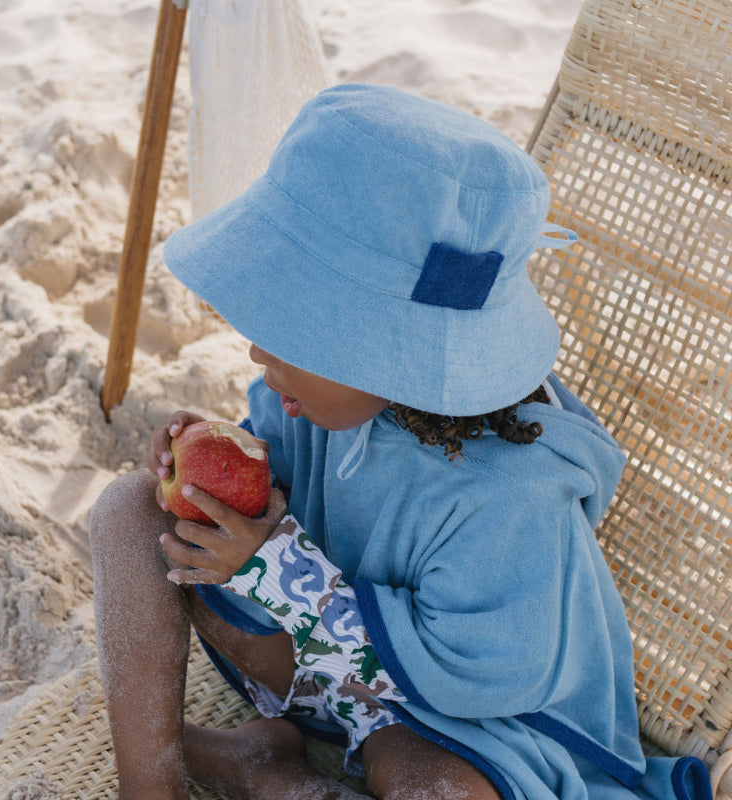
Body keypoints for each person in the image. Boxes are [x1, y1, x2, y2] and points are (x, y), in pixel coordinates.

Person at [89, 84, 712, 800]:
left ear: (388, 352)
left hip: (458, 716)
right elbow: (272, 494)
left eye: (292, 331)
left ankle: (271, 774)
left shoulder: (512, 498)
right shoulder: (318, 393)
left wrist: (279, 573)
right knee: (130, 510)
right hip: (321, 668)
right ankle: (153, 782)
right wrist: (215, 491)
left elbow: (474, 676)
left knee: (437, 789)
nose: (260, 351)